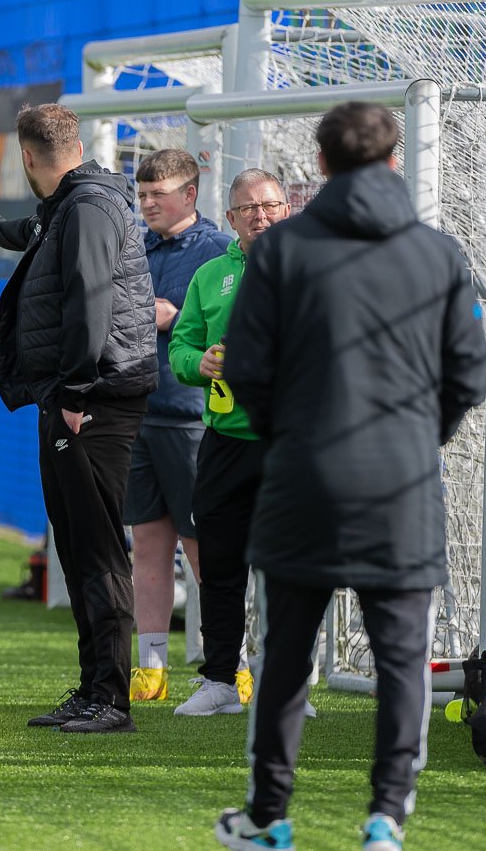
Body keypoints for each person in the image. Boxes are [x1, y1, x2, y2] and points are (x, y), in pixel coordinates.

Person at [214, 103, 486, 851]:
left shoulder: (279, 251)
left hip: (302, 475)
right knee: (402, 657)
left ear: (322, 166)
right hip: (400, 483)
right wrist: (415, 437)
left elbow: (245, 367)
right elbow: (469, 370)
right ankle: (385, 819)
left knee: (286, 652)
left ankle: (269, 815)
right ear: (395, 161)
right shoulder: (436, 253)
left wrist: (290, 436)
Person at [0, 102, 157, 734]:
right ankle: (94, 686)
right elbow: (34, 234)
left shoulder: (88, 207)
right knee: (75, 545)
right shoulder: (70, 202)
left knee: (96, 549)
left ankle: (111, 699)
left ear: (28, 158)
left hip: (91, 400)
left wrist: (74, 392)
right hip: (73, 396)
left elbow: (91, 302)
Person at [166, 168, 290, 716]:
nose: (260, 215)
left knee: (289, 567)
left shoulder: (311, 269)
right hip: (223, 440)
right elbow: (181, 349)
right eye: (249, 208)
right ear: (232, 217)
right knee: (219, 564)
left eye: (270, 205)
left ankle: (286, 684)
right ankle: (219, 679)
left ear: (287, 210)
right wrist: (202, 362)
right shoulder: (210, 274)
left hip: (291, 442)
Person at [124, 149, 230, 703]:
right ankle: (151, 668)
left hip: (192, 418)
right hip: (139, 412)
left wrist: (174, 321)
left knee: (202, 547)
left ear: (189, 194)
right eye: (141, 195)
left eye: (156, 195)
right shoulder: (135, 246)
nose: (146, 205)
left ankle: (226, 663)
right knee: (146, 543)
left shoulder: (217, 252)